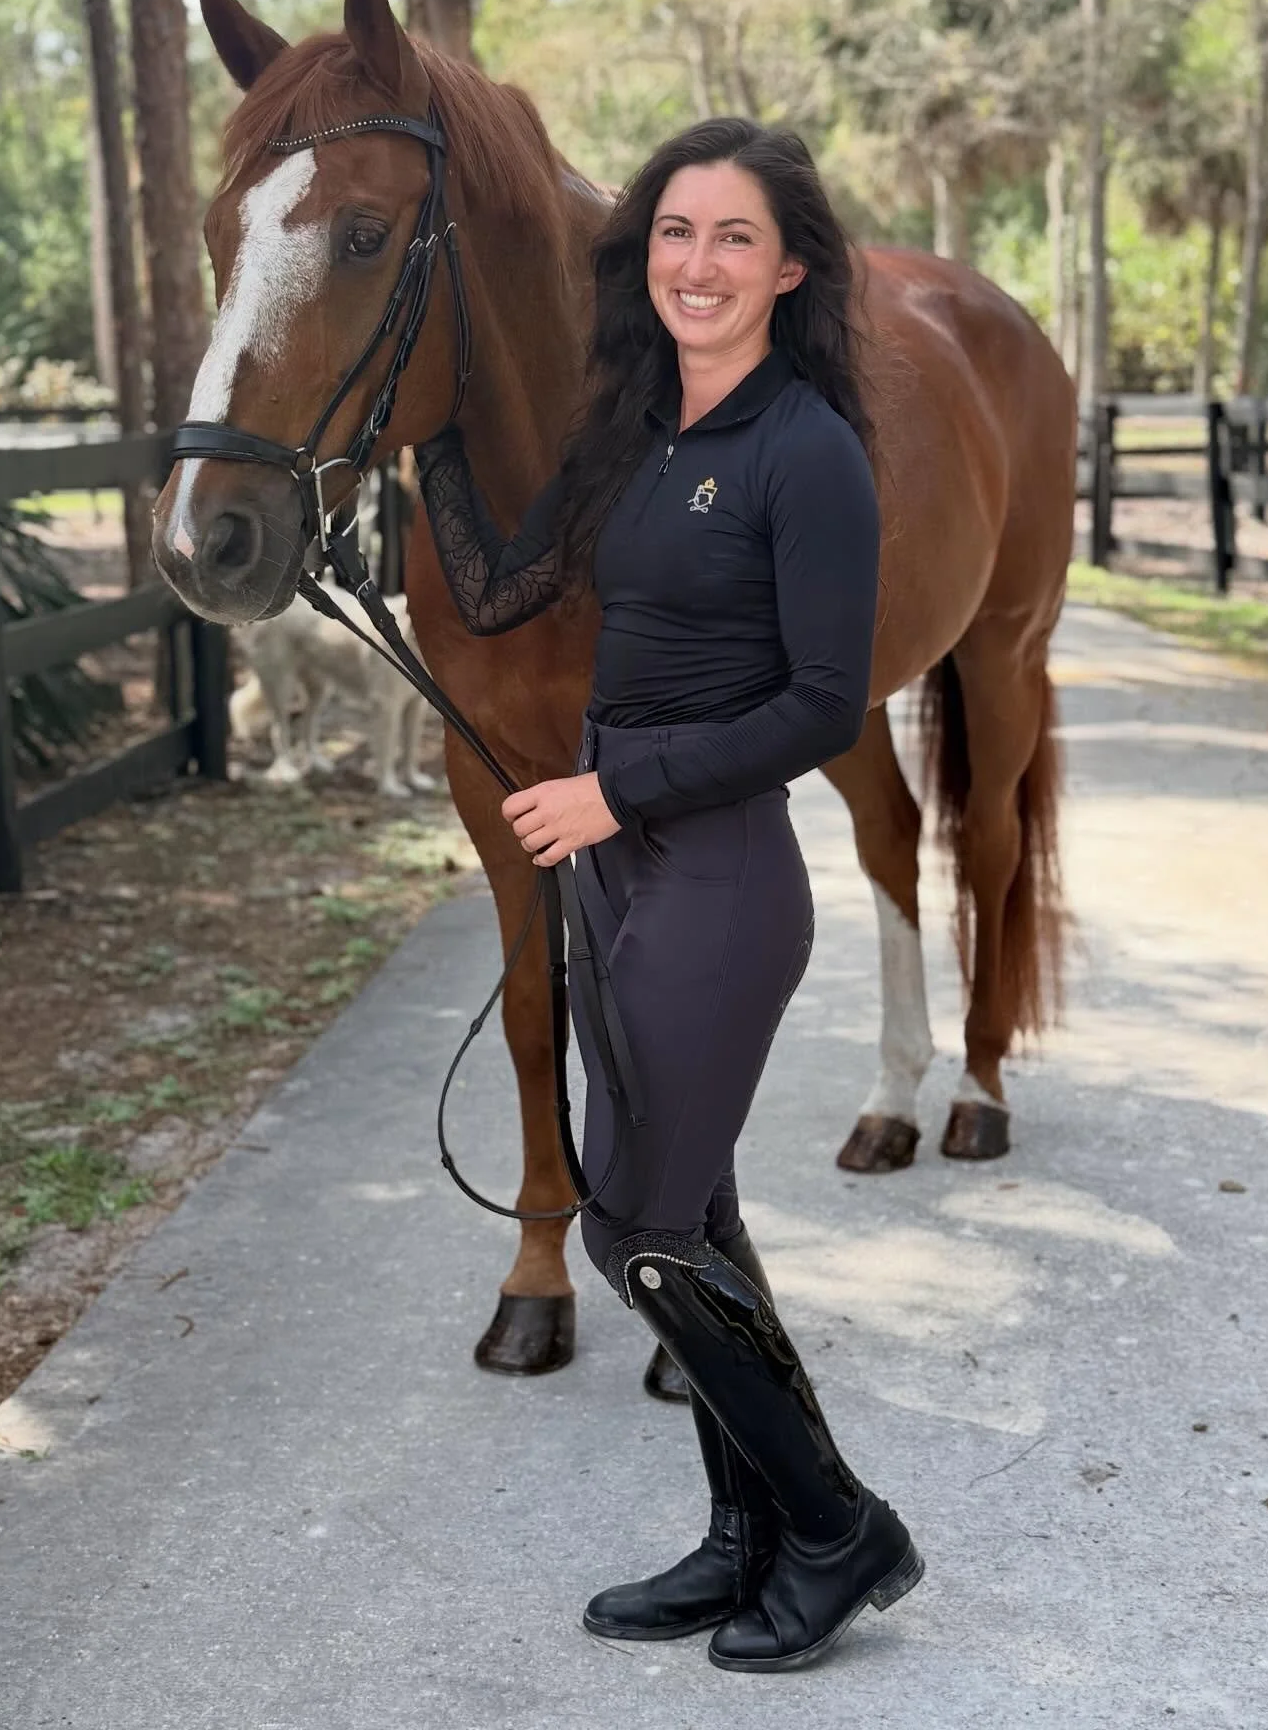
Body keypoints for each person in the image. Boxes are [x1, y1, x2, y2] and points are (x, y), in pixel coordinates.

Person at [412, 116, 921, 1673]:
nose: (697, 263)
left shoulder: (807, 451)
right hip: (617, 871)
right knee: (692, 1208)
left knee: (631, 1214)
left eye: (734, 237)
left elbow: (825, 707)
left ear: (792, 267)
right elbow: (502, 587)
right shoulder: (639, 432)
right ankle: (743, 1534)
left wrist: (614, 789)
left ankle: (838, 1528)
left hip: (715, 872)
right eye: (675, 233)